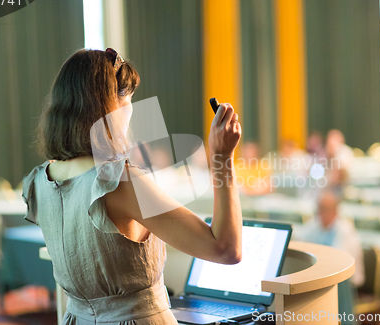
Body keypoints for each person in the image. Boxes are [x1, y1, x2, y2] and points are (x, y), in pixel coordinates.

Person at [22, 49, 242, 325]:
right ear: (108, 106)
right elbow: (225, 249)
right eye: (128, 98)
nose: (131, 110)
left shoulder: (39, 180)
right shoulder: (117, 181)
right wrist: (222, 158)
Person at [297, 190, 364, 288]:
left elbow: (338, 262)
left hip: (346, 284)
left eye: (325, 209)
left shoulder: (345, 229)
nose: (321, 213)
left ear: (335, 210)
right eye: (319, 209)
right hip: (322, 278)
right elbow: (300, 243)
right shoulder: (314, 225)